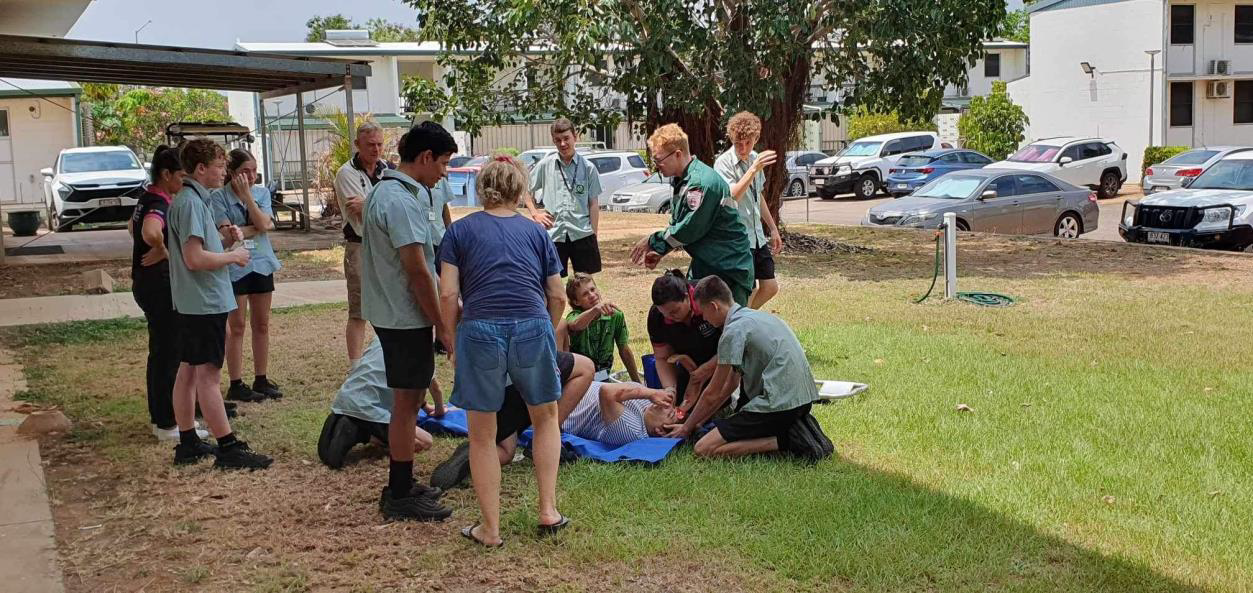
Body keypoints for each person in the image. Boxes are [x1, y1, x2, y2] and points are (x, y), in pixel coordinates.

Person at [438, 154, 568, 547]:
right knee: (545, 418)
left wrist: (451, 336)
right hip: (531, 325)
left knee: (482, 433)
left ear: (482, 189)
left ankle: (490, 529)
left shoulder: (459, 232)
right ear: (519, 191)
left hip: (479, 330)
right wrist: (543, 325)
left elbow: (447, 293)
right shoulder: (536, 234)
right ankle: (547, 510)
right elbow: (558, 295)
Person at [360, 121, 455, 521]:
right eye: (444, 163)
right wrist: (443, 325)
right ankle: (398, 493)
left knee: (409, 399)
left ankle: (402, 482)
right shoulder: (400, 199)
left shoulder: (387, 191)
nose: (444, 173)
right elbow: (417, 270)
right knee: (406, 403)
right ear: (426, 157)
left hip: (393, 313)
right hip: (404, 317)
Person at [166, 139, 273, 470]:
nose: (224, 172)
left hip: (194, 301)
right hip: (203, 301)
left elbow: (200, 246)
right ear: (201, 169)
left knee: (188, 370)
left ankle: (189, 441)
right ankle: (228, 448)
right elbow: (194, 258)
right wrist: (233, 256)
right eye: (219, 166)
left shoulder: (192, 201)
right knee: (208, 376)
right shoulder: (191, 204)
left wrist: (226, 239)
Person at [664, 276, 823, 460]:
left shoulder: (732, 332)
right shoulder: (758, 317)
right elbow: (730, 386)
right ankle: (796, 427)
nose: (704, 319)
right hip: (803, 400)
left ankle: (786, 441)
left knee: (703, 448)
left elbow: (712, 392)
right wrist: (696, 423)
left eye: (704, 313)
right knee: (717, 431)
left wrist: (685, 428)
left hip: (777, 405)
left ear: (714, 306)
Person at [128, 145, 208, 443]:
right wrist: (162, 249)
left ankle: (161, 417)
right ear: (166, 174)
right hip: (159, 287)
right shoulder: (159, 202)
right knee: (169, 355)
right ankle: (166, 421)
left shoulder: (146, 197)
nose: (183, 182)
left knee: (161, 353)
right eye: (180, 176)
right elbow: (150, 231)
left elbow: (131, 227)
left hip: (146, 284)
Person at [630, 123, 754, 306]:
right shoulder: (685, 181)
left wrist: (652, 241)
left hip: (728, 267)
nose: (656, 167)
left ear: (678, 154)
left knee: (727, 328)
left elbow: (690, 228)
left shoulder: (700, 183)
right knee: (699, 323)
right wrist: (662, 251)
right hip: (707, 262)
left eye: (658, 160)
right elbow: (682, 226)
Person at [213, 149, 283, 403]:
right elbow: (228, 234)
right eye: (245, 172)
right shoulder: (218, 197)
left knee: (261, 324)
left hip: (261, 263)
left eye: (254, 171)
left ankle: (261, 378)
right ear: (232, 173)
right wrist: (251, 227)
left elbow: (265, 224)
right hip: (235, 266)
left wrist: (248, 200)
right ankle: (236, 382)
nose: (251, 176)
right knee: (237, 325)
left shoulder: (261, 193)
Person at [316, 337, 437, 470]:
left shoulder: (379, 336)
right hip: (369, 408)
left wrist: (425, 407)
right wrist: (440, 409)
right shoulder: (423, 350)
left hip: (345, 397)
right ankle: (363, 432)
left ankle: (345, 423)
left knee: (327, 456)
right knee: (425, 441)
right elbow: (432, 389)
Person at [713, 112, 784, 309]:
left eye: (747, 143)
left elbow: (757, 196)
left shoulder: (755, 159)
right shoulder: (723, 163)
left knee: (770, 287)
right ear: (731, 139)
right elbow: (734, 194)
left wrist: (772, 228)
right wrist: (753, 169)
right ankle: (739, 325)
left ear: (756, 139)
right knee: (747, 290)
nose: (743, 148)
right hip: (738, 238)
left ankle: (741, 320)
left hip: (757, 236)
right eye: (738, 143)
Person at [334, 121, 391, 364]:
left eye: (379, 144)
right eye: (370, 145)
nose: (376, 149)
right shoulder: (346, 173)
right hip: (359, 245)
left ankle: (386, 358)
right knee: (358, 309)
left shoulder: (387, 169)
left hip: (385, 246)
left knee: (387, 304)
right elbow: (357, 214)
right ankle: (355, 365)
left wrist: (369, 204)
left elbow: (391, 208)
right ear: (357, 145)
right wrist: (380, 207)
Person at [521, 118, 603, 277]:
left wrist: (594, 234)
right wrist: (535, 213)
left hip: (582, 232)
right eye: (558, 140)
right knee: (552, 284)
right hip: (554, 233)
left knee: (585, 283)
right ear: (553, 140)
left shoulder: (588, 168)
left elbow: (593, 203)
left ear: (575, 137)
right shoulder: (546, 165)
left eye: (566, 138)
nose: (563, 144)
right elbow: (525, 189)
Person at [647, 270, 722, 410]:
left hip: (723, 360)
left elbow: (734, 343)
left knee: (713, 402)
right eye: (665, 314)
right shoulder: (657, 317)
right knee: (683, 407)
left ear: (687, 297)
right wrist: (670, 389)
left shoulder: (709, 296)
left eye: (674, 311)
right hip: (689, 367)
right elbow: (662, 358)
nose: (670, 317)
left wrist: (707, 369)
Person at [557, 273, 642, 383]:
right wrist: (595, 310)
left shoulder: (615, 315)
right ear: (576, 302)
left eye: (593, 289)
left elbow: (624, 350)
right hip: (578, 377)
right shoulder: (575, 316)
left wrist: (637, 382)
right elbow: (575, 325)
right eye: (585, 294)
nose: (592, 295)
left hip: (602, 375)